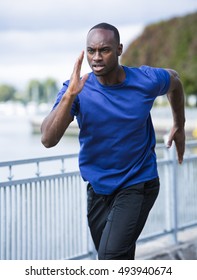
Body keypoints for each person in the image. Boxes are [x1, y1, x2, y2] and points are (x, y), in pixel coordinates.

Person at [41, 23, 185, 260]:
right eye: (91, 51)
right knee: (118, 258)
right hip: (98, 188)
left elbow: (175, 81)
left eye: (104, 50)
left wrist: (179, 123)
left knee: (109, 258)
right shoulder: (77, 90)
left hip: (137, 182)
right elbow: (48, 139)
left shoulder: (145, 80)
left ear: (119, 49)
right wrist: (69, 96)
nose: (96, 57)